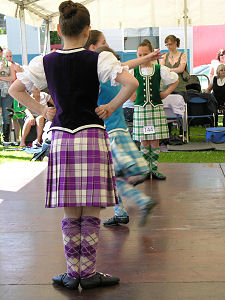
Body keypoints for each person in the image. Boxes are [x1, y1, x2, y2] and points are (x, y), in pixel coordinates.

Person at [9, 0, 138, 290]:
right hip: (92, 135)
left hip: (63, 138)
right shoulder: (99, 59)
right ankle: (89, 273)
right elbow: (131, 84)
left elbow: (14, 89)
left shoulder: (44, 62)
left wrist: (42, 111)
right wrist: (110, 105)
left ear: (58, 30)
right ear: (87, 30)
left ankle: (72, 273)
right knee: (91, 208)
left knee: (70, 210)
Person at [95, 46, 163, 227]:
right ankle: (122, 210)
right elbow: (129, 64)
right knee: (112, 178)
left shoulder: (100, 79)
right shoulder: (116, 78)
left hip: (110, 134)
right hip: (121, 131)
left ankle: (133, 202)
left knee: (108, 177)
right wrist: (148, 57)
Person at [133, 39, 178, 180]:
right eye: (139, 55)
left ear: (152, 54)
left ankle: (155, 169)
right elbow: (122, 84)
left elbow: (175, 80)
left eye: (145, 54)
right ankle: (146, 169)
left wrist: (166, 93)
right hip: (141, 108)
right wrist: (130, 96)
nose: (142, 57)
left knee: (154, 140)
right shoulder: (133, 69)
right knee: (144, 141)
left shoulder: (159, 69)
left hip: (155, 109)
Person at [4, 49, 25, 143]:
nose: (9, 58)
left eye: (10, 56)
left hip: (16, 94)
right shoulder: (3, 67)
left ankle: (18, 138)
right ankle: (8, 138)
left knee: (17, 116)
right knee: (8, 116)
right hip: (6, 94)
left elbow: (21, 78)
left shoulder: (16, 66)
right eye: (7, 56)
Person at [0, 49, 16, 142]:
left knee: (6, 115)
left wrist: (1, 77)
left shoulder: (9, 64)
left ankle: (6, 139)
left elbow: (13, 77)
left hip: (6, 91)